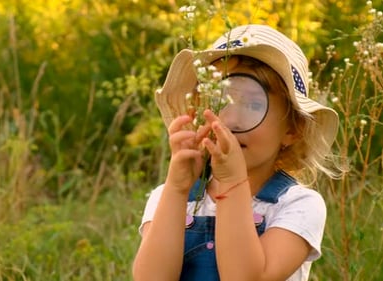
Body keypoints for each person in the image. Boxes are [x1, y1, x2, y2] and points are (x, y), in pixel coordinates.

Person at [132, 24, 339, 281]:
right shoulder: (170, 197)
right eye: (220, 100)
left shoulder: (297, 205)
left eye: (254, 104)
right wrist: (176, 189)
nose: (232, 119)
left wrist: (232, 184)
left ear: (292, 130)